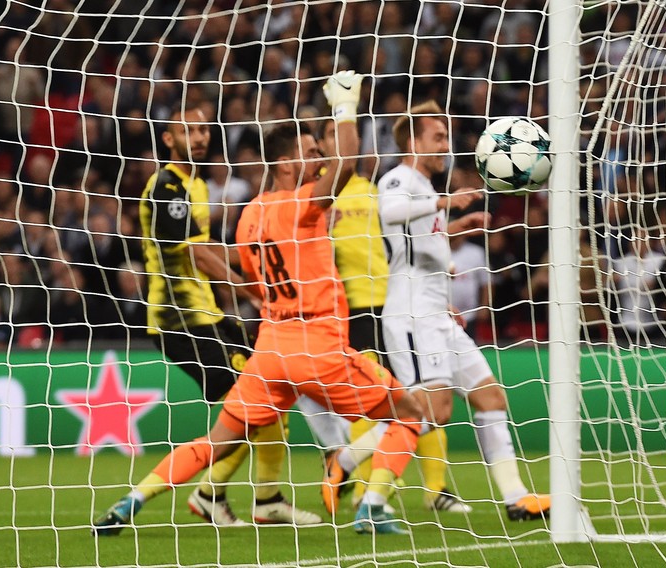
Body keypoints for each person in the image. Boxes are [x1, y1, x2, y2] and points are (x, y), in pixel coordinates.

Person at [94, 71, 425, 537]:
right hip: (319, 346)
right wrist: (346, 107)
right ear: (288, 161)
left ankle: (131, 501)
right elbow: (348, 161)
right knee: (409, 413)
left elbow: (253, 273)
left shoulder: (249, 216)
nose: (320, 160)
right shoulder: (301, 206)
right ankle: (370, 505)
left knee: (215, 441)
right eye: (311, 154)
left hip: (271, 350)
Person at [120, 103, 319, 528]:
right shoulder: (166, 188)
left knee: (271, 397)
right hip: (179, 320)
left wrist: (264, 256)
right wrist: (254, 288)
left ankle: (242, 497)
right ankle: (239, 497)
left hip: (209, 315)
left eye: (204, 130)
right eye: (188, 131)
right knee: (252, 405)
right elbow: (196, 252)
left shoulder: (199, 187)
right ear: (169, 139)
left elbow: (208, 250)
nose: (200, 137)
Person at [378, 100, 550, 521]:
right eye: (438, 137)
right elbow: (390, 213)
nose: (445, 145)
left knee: (491, 398)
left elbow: (424, 246)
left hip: (438, 311)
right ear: (414, 141)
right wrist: (447, 205)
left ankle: (516, 498)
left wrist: (458, 227)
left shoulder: (426, 190)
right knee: (432, 413)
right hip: (413, 314)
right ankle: (348, 462)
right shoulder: (399, 179)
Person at [313, 119, 471, 515]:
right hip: (348, 310)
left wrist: (435, 296)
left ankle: (433, 488)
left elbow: (405, 246)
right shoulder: (316, 198)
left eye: (343, 134)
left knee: (423, 396)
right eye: (332, 135)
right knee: (378, 401)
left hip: (398, 303)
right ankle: (362, 487)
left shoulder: (372, 192)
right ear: (321, 145)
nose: (341, 142)